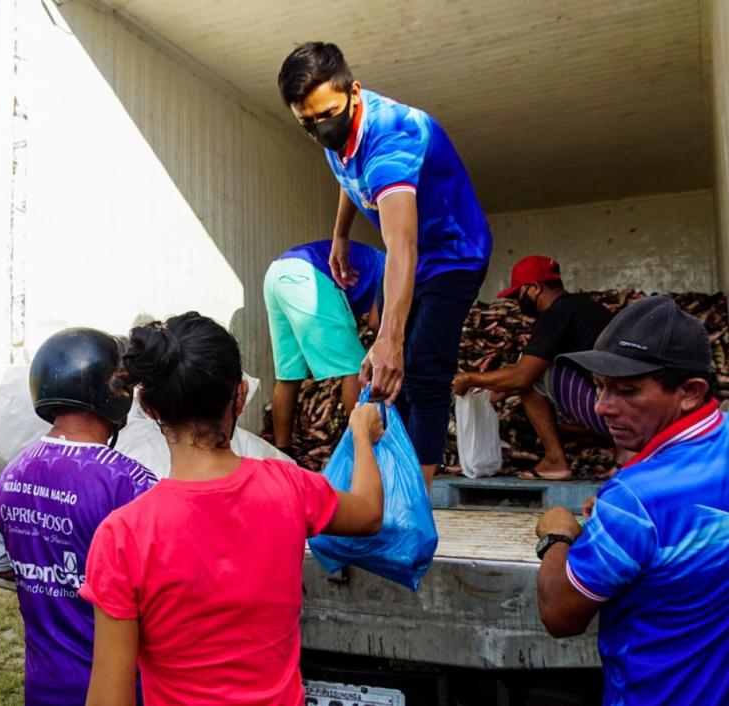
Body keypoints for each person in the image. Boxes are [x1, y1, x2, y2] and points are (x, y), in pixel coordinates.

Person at [80, 312, 385, 705]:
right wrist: (362, 435)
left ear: (149, 407)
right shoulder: (288, 487)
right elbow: (368, 512)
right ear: (240, 395)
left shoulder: (123, 536)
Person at [278, 42, 492, 487]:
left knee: (422, 369)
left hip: (453, 255)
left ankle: (416, 501)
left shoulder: (394, 135)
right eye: (308, 122)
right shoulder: (331, 126)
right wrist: (340, 233)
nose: (321, 129)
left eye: (327, 115)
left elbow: (403, 246)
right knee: (390, 375)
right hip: (408, 252)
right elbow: (346, 171)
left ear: (354, 92)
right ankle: (395, 474)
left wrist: (390, 340)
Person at [533, 296, 728, 706]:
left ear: (690, 392)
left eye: (628, 391)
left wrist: (556, 537)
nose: (602, 407)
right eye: (600, 386)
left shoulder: (634, 500)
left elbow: (560, 616)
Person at [0, 328, 157, 706]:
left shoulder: (8, 476)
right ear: (116, 397)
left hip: (43, 688)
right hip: (121, 690)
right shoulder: (131, 483)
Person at [452, 256, 615, 480]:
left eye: (518, 294)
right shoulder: (585, 308)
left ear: (534, 288)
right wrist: (503, 385)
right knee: (556, 423)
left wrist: (470, 379)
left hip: (609, 408)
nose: (517, 303)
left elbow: (521, 376)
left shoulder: (555, 314)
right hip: (626, 415)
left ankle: (556, 461)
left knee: (530, 380)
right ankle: (622, 451)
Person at [265, 239, 385, 456]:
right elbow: (376, 322)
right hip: (309, 275)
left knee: (288, 374)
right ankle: (363, 453)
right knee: (354, 366)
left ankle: (284, 454)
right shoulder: (391, 268)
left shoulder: (371, 262)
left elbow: (350, 316)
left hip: (277, 273)